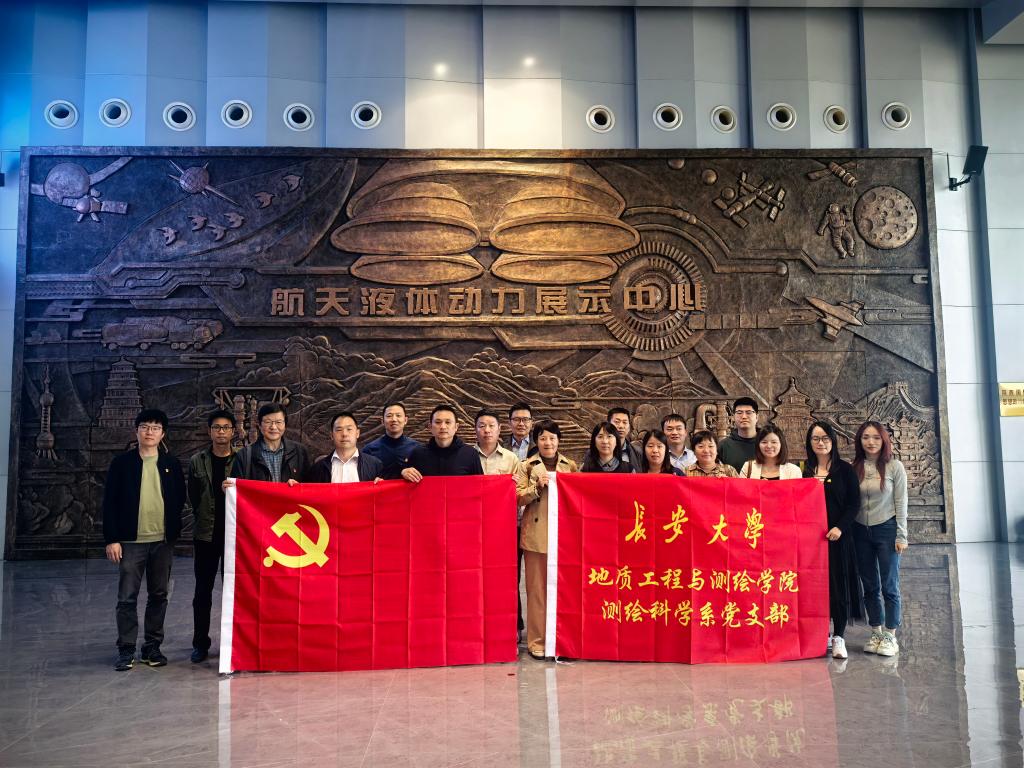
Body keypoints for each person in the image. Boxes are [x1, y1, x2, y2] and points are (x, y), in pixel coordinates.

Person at [103, 409, 186, 672]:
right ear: (136, 430)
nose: (150, 432)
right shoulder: (122, 464)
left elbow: (180, 498)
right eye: (145, 427)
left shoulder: (171, 463)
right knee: (127, 597)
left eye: (155, 428)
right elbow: (109, 502)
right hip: (130, 541)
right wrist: (112, 539)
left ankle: (152, 646)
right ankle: (126, 649)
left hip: (162, 540)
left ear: (163, 434)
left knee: (159, 595)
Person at [516, 420, 577, 659]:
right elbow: (517, 496)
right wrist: (536, 488)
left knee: (565, 590)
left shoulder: (570, 466)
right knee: (537, 591)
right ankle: (537, 641)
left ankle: (563, 639)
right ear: (536, 441)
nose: (548, 442)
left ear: (559, 441)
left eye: (552, 438)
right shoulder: (526, 466)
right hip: (536, 535)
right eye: (542, 438)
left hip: (565, 537)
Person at [803, 420, 861, 661]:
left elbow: (854, 504)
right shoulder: (805, 469)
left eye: (825, 438)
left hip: (837, 539)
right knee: (816, 588)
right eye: (816, 438)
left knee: (838, 587)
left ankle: (839, 636)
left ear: (833, 440)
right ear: (809, 442)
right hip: (811, 542)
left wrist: (839, 527)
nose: (821, 443)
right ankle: (821, 633)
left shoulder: (844, 469)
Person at [852, 421, 908, 657]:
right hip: (860, 531)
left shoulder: (894, 467)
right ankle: (876, 632)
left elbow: (901, 502)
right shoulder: (854, 467)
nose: (871, 442)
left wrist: (902, 535)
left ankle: (891, 635)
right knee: (870, 585)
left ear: (884, 440)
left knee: (889, 585)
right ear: (860, 440)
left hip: (887, 529)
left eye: (876, 437)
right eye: (866, 437)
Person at [187, 409, 236, 664]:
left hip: (235, 536)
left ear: (233, 432)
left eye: (226, 427)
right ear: (209, 431)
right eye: (216, 427)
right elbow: (193, 497)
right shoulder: (197, 460)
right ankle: (200, 643)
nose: (221, 432)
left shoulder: (241, 460)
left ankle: (232, 644)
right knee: (202, 592)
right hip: (205, 535)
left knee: (233, 592)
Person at [228, 403, 310, 484]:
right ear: (260, 425)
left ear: (285, 425)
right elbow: (236, 489)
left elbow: (311, 487)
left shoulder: (300, 452)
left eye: (278, 422)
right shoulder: (244, 456)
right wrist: (228, 488)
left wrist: (298, 487)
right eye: (268, 422)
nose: (273, 427)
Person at [401, 405, 483, 481]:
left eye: (448, 422)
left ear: (456, 427)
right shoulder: (417, 453)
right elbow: (405, 484)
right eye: (438, 422)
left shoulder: (470, 454)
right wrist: (404, 473)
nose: (443, 427)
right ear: (430, 427)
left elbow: (480, 485)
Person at [307, 411, 384, 483]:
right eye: (339, 430)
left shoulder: (375, 465)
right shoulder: (318, 469)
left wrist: (382, 485)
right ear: (332, 435)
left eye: (349, 429)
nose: (344, 434)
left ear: (357, 433)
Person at [362, 402, 420, 480]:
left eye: (398, 415)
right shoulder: (369, 450)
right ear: (382, 421)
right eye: (389, 416)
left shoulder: (417, 448)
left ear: (405, 420)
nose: (394, 419)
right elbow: (364, 478)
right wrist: (373, 481)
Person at [474, 408, 521, 476]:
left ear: (499, 428)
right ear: (475, 429)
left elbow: (519, 482)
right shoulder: (466, 457)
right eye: (482, 426)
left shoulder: (511, 458)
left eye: (491, 426)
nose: (487, 430)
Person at [717, 397, 760, 472]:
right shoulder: (723, 446)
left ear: (757, 417)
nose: (744, 417)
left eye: (749, 412)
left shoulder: (767, 444)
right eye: (739, 413)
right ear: (733, 417)